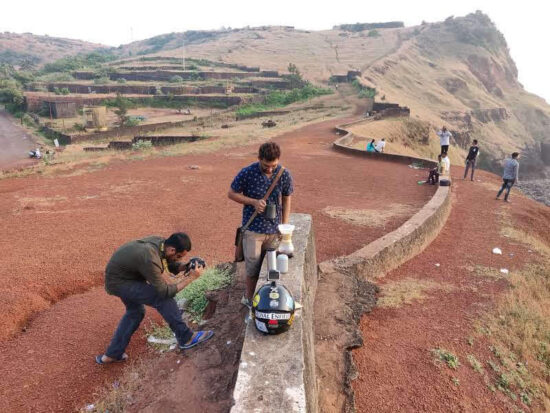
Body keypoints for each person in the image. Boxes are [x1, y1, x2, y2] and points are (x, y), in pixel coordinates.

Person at [96, 233, 213, 364]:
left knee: (135, 312)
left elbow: (168, 263)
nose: (178, 259)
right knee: (162, 299)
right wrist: (191, 277)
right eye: (179, 256)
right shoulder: (150, 257)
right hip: (119, 282)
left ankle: (112, 354)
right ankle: (186, 337)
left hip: (126, 277)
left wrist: (185, 266)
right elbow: (165, 292)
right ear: (172, 250)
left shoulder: (161, 244)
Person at [228, 142, 294, 308]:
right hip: (253, 231)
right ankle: (249, 300)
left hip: (274, 231)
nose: (270, 169)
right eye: (266, 165)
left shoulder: (284, 174)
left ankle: (270, 300)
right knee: (252, 269)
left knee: (272, 268)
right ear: (259, 159)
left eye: (274, 165)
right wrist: (253, 202)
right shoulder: (247, 172)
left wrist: (284, 226)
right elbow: (231, 193)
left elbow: (287, 198)